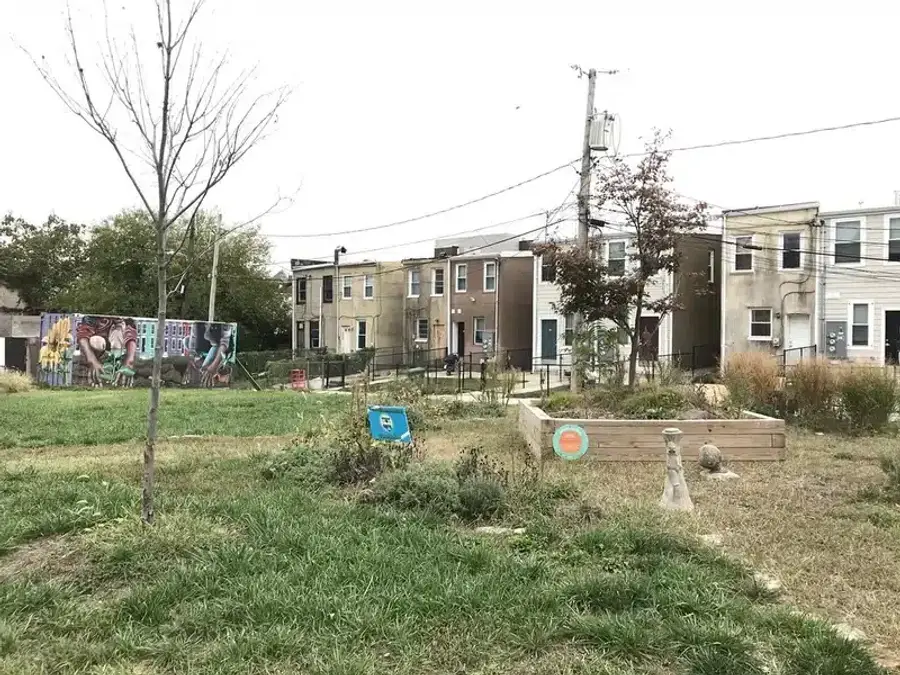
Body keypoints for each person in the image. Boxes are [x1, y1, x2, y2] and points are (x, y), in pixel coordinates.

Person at [76, 316, 137, 386]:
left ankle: (114, 376)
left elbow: (131, 330)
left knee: (118, 332)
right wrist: (92, 360)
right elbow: (83, 333)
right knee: (96, 341)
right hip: (96, 349)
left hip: (117, 350)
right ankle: (95, 375)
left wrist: (129, 360)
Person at [199, 322, 234, 387]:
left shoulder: (223, 327)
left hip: (223, 347)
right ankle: (220, 377)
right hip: (214, 345)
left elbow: (224, 344)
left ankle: (221, 378)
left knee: (206, 369)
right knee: (204, 369)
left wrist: (213, 365)